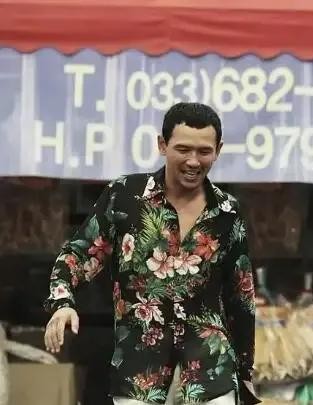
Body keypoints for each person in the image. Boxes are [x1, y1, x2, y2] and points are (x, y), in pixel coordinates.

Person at [44, 102, 259, 405]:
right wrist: (63, 303)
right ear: (162, 145)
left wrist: (246, 370)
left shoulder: (227, 211)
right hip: (140, 368)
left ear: (218, 151)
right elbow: (79, 254)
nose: (193, 161)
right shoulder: (125, 196)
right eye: (183, 149)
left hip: (210, 369)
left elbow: (242, 296)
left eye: (204, 151)